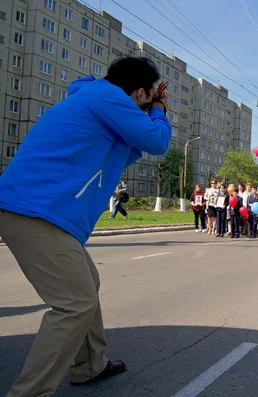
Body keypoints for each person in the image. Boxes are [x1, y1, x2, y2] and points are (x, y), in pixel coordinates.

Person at [0, 56, 171, 395]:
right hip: (38, 211)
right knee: (74, 304)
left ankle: (89, 364)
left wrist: (147, 110)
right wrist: (159, 111)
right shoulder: (107, 98)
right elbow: (158, 142)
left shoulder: (97, 101)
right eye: (150, 93)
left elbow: (129, 150)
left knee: (87, 284)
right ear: (138, 93)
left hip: (40, 211)